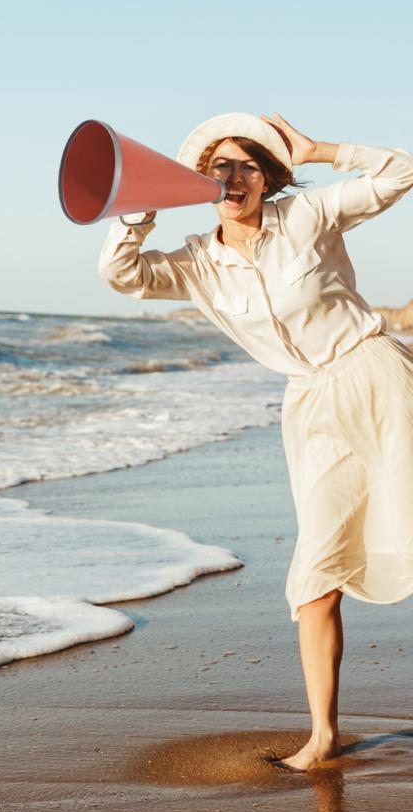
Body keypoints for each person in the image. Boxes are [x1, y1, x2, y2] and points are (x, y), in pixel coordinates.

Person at [97, 111, 413, 772]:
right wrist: (136, 216)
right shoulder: (195, 262)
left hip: (379, 376)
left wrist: (322, 149)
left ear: (268, 178)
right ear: (201, 181)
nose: (233, 175)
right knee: (315, 576)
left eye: (249, 164)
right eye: (221, 166)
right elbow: (122, 277)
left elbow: (400, 173)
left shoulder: (309, 215)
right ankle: (323, 736)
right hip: (312, 406)